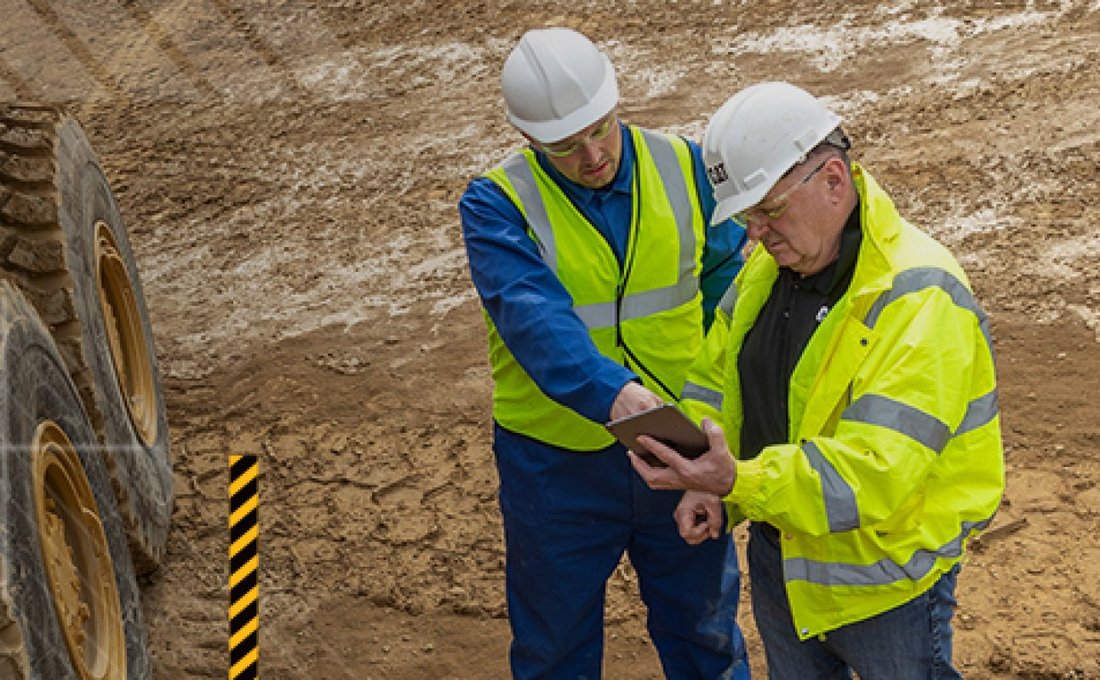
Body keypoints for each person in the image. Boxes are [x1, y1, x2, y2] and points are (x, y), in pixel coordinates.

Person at [629, 81, 1005, 679]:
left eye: (769, 210)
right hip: (788, 564)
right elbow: (716, 383)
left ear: (833, 180)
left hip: (888, 585)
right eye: (748, 216)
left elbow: (871, 473)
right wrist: (703, 476)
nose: (755, 233)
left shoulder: (918, 296)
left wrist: (739, 481)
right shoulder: (768, 272)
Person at [458, 27, 751, 680]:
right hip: (555, 467)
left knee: (706, 633)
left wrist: (710, 425)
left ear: (617, 103)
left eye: (601, 129)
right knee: (554, 650)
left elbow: (731, 301)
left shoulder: (686, 168)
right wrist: (618, 397)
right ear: (529, 140)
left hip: (677, 443)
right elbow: (534, 322)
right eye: (565, 146)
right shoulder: (495, 206)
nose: (592, 155)